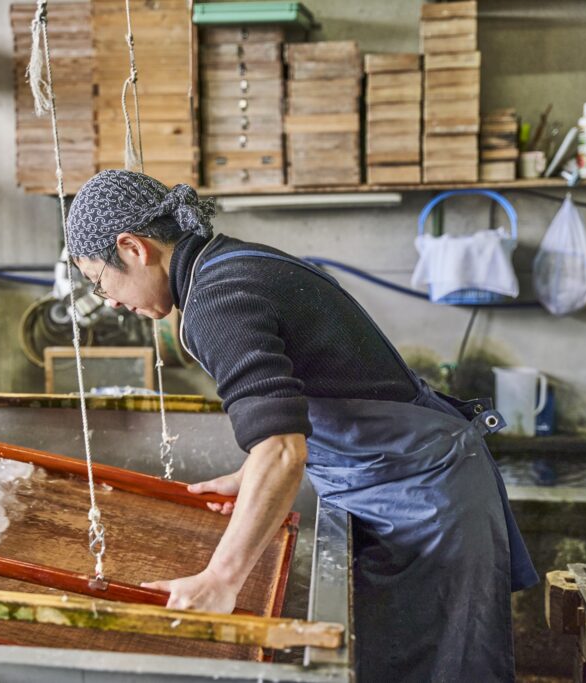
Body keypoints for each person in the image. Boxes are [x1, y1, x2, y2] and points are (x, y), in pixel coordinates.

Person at [65, 169, 538, 682]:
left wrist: (221, 579)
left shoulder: (213, 302)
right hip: (409, 481)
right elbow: (305, 391)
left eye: (98, 280)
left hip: (423, 502)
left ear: (133, 248)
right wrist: (252, 475)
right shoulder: (230, 262)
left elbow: (285, 449)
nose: (110, 300)